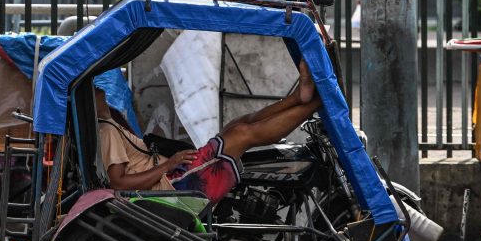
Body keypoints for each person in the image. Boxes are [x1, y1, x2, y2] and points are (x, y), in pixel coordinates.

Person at [98, 59, 321, 205]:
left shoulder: (112, 123)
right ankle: (316, 103)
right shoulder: (107, 130)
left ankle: (298, 98)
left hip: (171, 176)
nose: (102, 92)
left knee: (237, 124)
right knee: (242, 133)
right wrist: (168, 165)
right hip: (170, 185)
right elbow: (118, 183)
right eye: (97, 91)